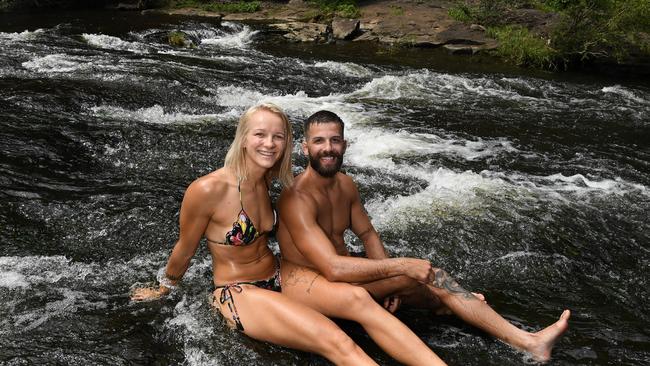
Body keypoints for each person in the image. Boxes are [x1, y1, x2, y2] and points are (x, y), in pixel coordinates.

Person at [277, 110, 571, 363]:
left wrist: (391, 284)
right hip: (309, 282)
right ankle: (448, 305)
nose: (328, 148)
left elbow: (367, 233)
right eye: (319, 141)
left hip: (341, 272)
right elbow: (332, 268)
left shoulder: (345, 185)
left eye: (334, 140)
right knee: (409, 275)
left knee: (434, 275)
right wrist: (399, 267)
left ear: (345, 144)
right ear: (305, 148)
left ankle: (529, 341)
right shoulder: (297, 198)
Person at [130, 104, 380, 366]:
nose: (269, 144)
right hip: (239, 292)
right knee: (338, 342)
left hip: (279, 277)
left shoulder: (266, 178)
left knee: (373, 298)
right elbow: (185, 248)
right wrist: (163, 289)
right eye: (260, 134)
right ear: (244, 139)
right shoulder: (207, 189)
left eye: (278, 137)